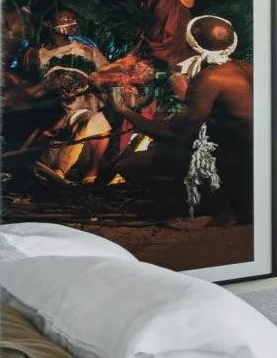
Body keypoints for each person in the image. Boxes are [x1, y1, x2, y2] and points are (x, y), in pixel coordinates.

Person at [104, 15, 254, 225]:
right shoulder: (248, 68)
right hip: (254, 161)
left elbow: (176, 135)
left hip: (233, 164)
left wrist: (124, 110)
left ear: (191, 43)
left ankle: (214, 203)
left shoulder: (211, 77)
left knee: (129, 165)